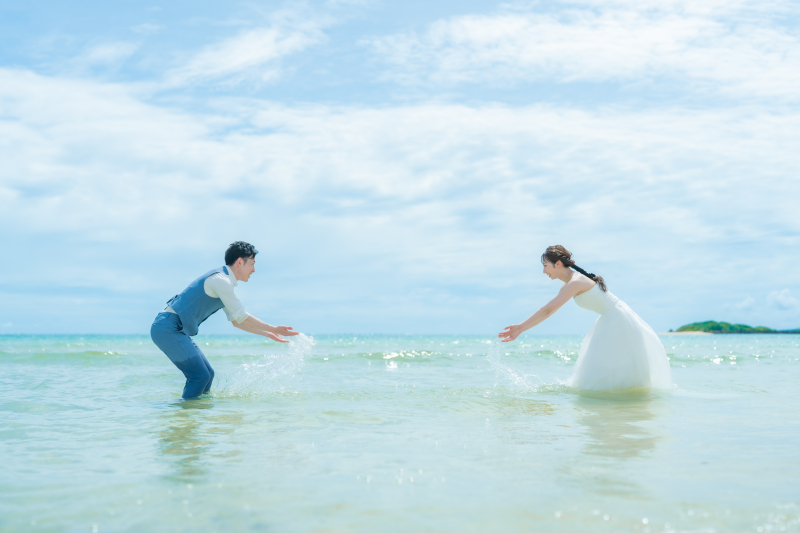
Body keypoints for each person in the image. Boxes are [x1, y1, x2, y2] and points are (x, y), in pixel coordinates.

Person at [498, 245, 672, 390]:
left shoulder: (575, 282)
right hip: (610, 319)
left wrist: (520, 327)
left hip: (619, 320)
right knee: (603, 374)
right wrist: (521, 329)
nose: (543, 271)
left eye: (545, 265)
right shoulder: (568, 285)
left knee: (613, 375)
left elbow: (547, 310)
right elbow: (549, 311)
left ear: (558, 264)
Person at [150, 241, 299, 399]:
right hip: (167, 327)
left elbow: (236, 321)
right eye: (252, 264)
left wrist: (268, 334)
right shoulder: (221, 280)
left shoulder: (224, 282)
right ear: (240, 262)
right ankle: (186, 412)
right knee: (200, 375)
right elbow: (242, 316)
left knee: (208, 374)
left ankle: (198, 411)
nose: (254, 270)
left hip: (175, 329)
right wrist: (273, 328)